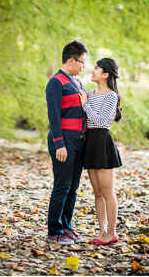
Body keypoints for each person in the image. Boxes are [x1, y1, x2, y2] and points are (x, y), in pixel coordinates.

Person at [46, 40, 88, 245]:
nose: (83, 66)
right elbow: (53, 116)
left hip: (79, 141)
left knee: (73, 187)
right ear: (70, 60)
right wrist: (59, 144)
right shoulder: (56, 82)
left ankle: (66, 227)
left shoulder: (79, 82)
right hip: (63, 142)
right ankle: (54, 230)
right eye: (81, 62)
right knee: (62, 186)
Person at [78, 58, 123, 245]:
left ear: (105, 74)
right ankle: (102, 231)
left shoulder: (111, 96)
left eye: (96, 68)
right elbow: (90, 119)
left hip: (102, 141)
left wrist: (85, 104)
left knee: (107, 191)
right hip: (90, 142)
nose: (92, 70)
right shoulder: (89, 93)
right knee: (97, 191)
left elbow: (102, 122)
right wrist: (85, 103)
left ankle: (112, 232)